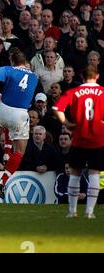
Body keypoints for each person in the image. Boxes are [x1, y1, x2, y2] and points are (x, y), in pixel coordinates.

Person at [53, 64, 104, 219]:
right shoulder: (102, 92)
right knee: (94, 173)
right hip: (98, 139)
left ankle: (73, 211)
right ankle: (89, 212)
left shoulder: (74, 92)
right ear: (97, 77)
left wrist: (66, 123)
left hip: (79, 138)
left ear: (81, 77)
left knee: (75, 173)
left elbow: (56, 108)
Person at [0, 48, 38, 199]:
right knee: (20, 152)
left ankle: (7, 153)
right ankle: (3, 181)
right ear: (26, 63)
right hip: (20, 114)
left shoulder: (9, 69)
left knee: (7, 122)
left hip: (2, 112)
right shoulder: (34, 76)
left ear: (12, 61)